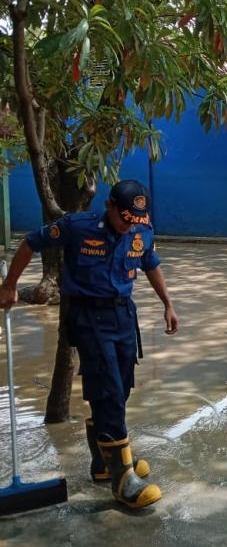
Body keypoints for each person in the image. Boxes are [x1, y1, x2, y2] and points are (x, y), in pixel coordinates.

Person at [0, 180, 178, 509]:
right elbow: (30, 242)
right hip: (88, 317)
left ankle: (104, 463)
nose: (129, 225)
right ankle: (123, 479)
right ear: (109, 206)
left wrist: (167, 303)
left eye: (135, 220)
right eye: (124, 218)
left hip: (123, 316)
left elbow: (150, 264)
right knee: (107, 391)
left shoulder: (141, 230)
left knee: (120, 387)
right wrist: (10, 285)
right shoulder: (77, 226)